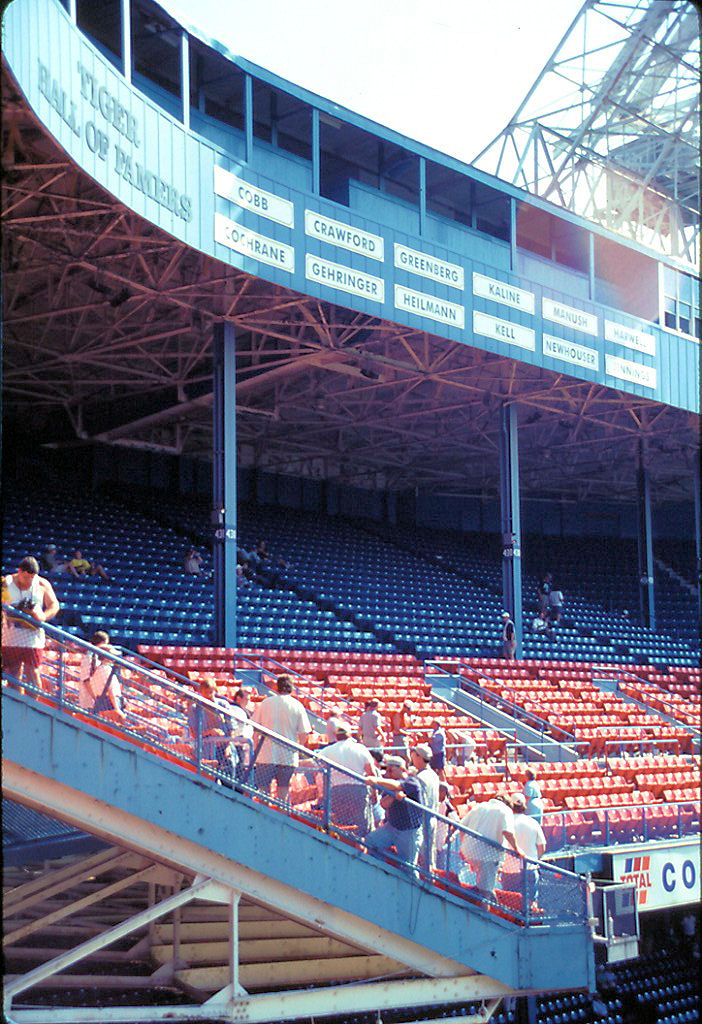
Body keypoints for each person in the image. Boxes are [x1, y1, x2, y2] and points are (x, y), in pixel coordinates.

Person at [251, 674, 313, 803]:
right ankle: (282, 815)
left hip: (266, 755)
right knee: (283, 792)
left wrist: (256, 748)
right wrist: (297, 749)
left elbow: (255, 729)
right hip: (287, 756)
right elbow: (304, 734)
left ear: (276, 687)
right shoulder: (297, 705)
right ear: (291, 687)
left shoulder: (266, 703)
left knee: (263, 792)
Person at [2, 556, 60, 692]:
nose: (29, 581)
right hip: (10, 636)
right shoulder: (6, 582)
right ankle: (17, 707)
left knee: (32, 672)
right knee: (13, 673)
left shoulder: (42, 584)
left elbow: (54, 605)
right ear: (19, 571)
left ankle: (32, 705)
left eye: (32, 578)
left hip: (33, 637)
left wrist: (42, 617)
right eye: (26, 577)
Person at [365, 755, 423, 872]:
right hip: (391, 827)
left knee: (409, 868)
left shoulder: (413, 781)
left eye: (391, 769)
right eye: (386, 770)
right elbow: (384, 804)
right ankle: (385, 872)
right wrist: (395, 796)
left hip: (409, 832)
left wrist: (376, 780)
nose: (388, 773)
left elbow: (398, 785)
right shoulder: (391, 785)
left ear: (402, 769)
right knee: (370, 842)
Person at [319, 721, 376, 837]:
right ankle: (361, 849)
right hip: (358, 790)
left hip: (337, 791)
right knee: (361, 826)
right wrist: (374, 793)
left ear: (335, 735)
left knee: (342, 825)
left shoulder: (328, 750)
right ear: (349, 734)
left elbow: (314, 763)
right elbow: (372, 773)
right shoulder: (360, 748)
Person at [459, 792, 521, 897]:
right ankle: (484, 911)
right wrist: (518, 849)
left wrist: (463, 847)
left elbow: (461, 826)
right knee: (486, 892)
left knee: (485, 887)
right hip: (488, 857)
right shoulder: (506, 810)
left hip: (469, 852)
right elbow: (508, 832)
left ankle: (495, 908)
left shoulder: (480, 806)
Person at [187, 677, 234, 779]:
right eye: (206, 693)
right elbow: (194, 734)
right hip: (205, 751)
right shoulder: (195, 708)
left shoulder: (223, 705)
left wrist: (228, 746)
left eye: (211, 692)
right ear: (201, 692)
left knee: (229, 779)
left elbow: (231, 728)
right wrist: (210, 732)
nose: (209, 696)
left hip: (223, 749)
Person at [78, 630, 126, 721]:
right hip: (94, 701)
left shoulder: (99, 662)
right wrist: (97, 701)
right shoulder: (91, 658)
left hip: (99, 700)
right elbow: (87, 681)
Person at [511, 793, 546, 906]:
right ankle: (530, 922)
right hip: (530, 866)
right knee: (532, 902)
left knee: (510, 901)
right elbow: (542, 846)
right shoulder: (533, 822)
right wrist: (536, 860)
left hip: (510, 868)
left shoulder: (507, 822)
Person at [411, 743, 440, 871]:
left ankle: (425, 879)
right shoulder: (433, 774)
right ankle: (429, 876)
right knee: (429, 851)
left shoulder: (421, 777)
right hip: (432, 816)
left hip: (423, 817)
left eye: (414, 754)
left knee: (423, 852)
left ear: (419, 757)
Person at [228, 687, 254, 785]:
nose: (248, 702)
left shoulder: (243, 711)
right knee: (236, 770)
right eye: (246, 699)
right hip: (236, 744)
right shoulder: (234, 709)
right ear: (238, 698)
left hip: (243, 745)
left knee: (241, 770)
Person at [436, 782, 460, 872]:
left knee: (439, 864)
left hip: (440, 838)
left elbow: (457, 823)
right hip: (432, 835)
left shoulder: (448, 806)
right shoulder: (435, 802)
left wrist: (451, 836)